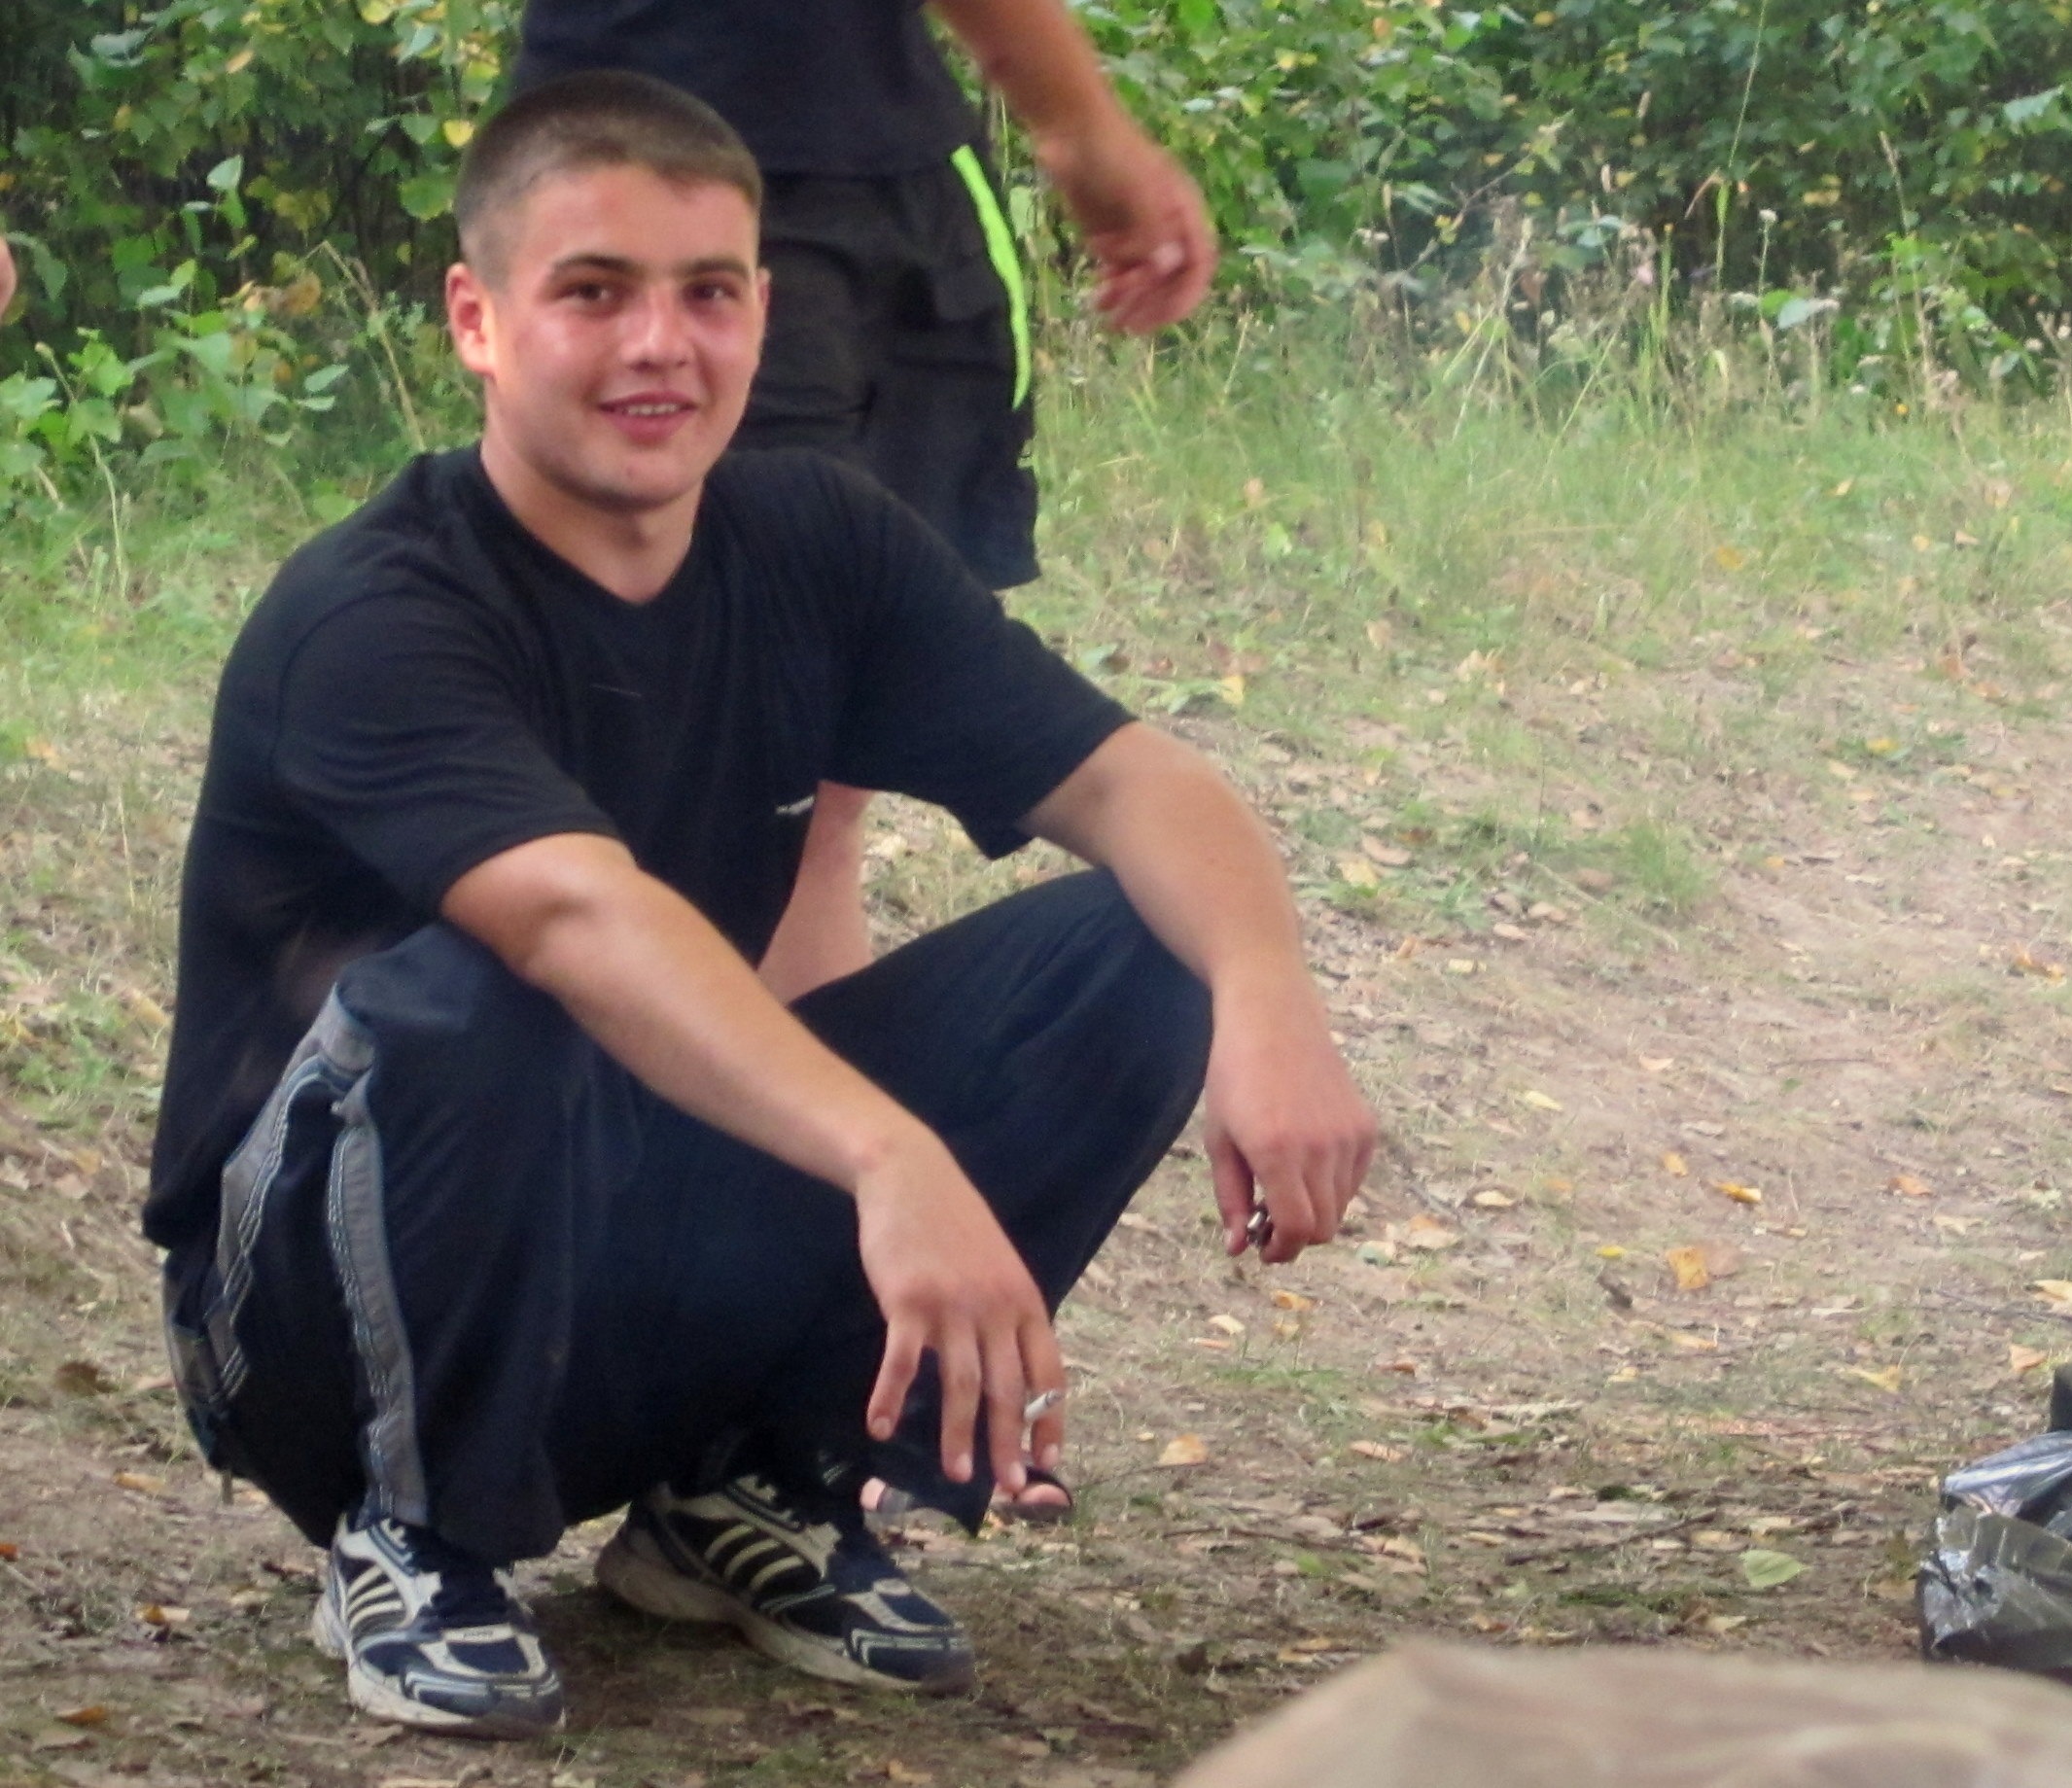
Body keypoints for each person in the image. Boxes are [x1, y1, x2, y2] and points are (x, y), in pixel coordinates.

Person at [147, 71, 1370, 1740]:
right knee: (488, 984)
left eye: (707, 292)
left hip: (620, 1237)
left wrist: (1268, 997)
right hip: (310, 1314)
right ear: (477, 322)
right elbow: (577, 920)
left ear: (761, 313)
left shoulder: (815, 540)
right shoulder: (373, 611)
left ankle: (745, 1484)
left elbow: (1128, 781)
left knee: (1147, 947)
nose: (661, 344)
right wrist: (888, 1152)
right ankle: (410, 1528)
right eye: (594, 291)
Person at [512, 0, 1219, 1010]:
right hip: (648, 153)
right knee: (710, 747)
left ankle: (810, 1097)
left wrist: (1075, 125)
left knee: (827, 755)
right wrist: (1080, 130)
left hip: (901, 158)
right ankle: (663, 1093)